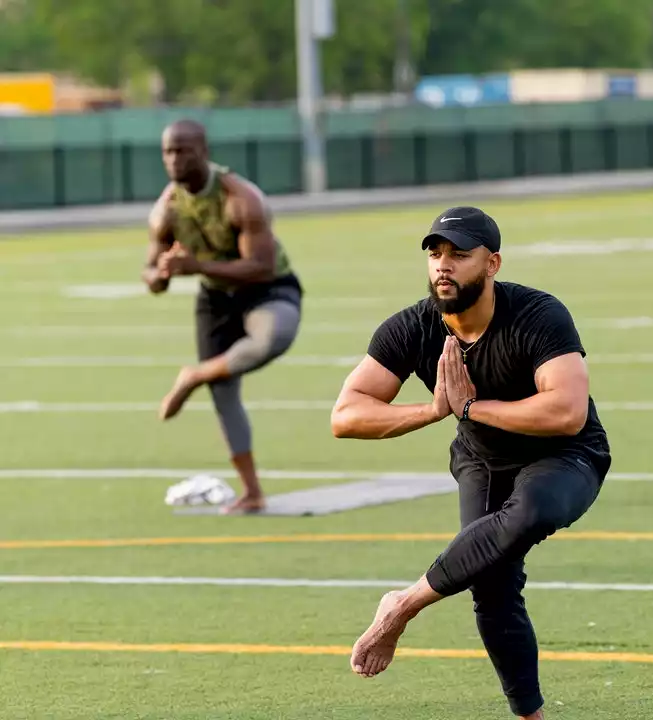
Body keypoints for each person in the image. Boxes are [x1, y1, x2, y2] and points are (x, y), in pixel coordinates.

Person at [331, 206, 611, 720]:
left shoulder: (538, 314)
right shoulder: (413, 327)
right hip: (482, 460)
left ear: (492, 263)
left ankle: (403, 604)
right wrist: (434, 410)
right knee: (492, 586)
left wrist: (470, 408)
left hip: (567, 455)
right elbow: (346, 414)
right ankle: (531, 716)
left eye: (460, 255)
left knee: (532, 510)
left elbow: (567, 412)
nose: (444, 265)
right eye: (436, 254)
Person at [140, 119, 304, 515]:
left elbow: (261, 266)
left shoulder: (241, 198)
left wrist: (195, 265)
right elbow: (149, 275)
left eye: (183, 150)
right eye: (168, 151)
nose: (175, 159)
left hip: (267, 289)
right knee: (225, 394)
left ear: (204, 151)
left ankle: (194, 374)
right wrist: (162, 272)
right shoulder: (166, 211)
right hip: (216, 299)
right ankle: (252, 491)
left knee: (272, 338)